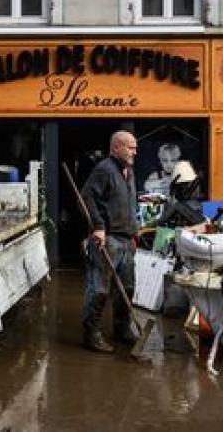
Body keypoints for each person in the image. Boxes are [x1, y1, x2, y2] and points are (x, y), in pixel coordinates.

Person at [80, 130, 139, 353]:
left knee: (128, 288)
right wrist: (98, 227)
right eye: (131, 147)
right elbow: (87, 197)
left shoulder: (129, 171)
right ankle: (91, 335)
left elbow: (127, 204)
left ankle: (122, 330)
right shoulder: (104, 169)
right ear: (116, 148)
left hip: (126, 240)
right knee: (99, 290)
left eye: (135, 147)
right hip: (108, 240)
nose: (135, 151)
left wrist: (134, 232)